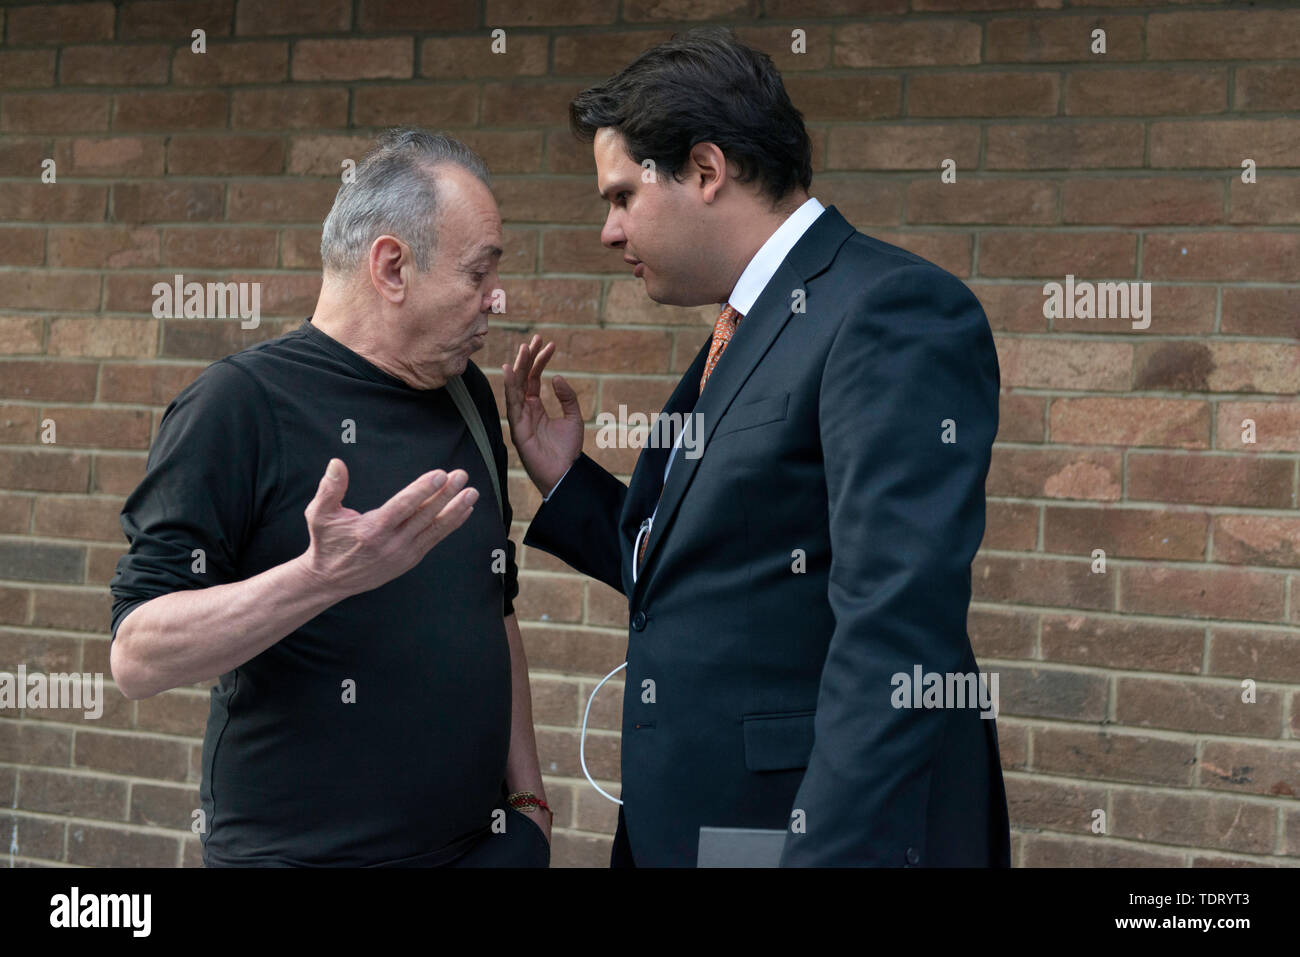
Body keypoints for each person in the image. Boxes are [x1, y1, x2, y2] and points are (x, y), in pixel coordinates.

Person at [504, 28, 1010, 867]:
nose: (609, 230)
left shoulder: (889, 313)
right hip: (696, 825)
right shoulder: (749, 324)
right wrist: (570, 484)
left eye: (622, 195)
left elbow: (897, 632)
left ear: (706, 171)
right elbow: (719, 570)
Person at [109, 129, 551, 867]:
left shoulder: (468, 398)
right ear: (391, 266)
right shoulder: (238, 405)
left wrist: (530, 807)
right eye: (478, 275)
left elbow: (494, 606)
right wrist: (320, 578)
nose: (492, 301)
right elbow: (136, 655)